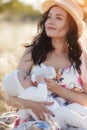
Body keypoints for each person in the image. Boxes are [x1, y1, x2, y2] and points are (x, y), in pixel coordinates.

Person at [2, 0, 87, 129]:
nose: (50, 21)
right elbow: (10, 96)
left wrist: (56, 89)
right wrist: (32, 105)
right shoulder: (33, 53)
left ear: (71, 26)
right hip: (36, 121)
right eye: (49, 17)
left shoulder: (81, 57)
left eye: (58, 18)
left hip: (73, 118)